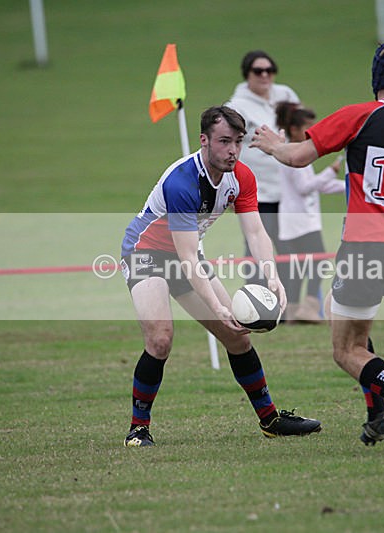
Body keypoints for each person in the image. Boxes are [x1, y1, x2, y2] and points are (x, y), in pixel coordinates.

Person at [251, 41, 384, 454]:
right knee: (350, 325)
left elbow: (298, 157)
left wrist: (271, 144)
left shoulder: (361, 114)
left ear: (377, 77)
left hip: (368, 241)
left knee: (344, 350)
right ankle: (378, 417)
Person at [120, 105, 322, 447]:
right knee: (160, 339)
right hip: (146, 253)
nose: (232, 150)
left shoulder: (241, 177)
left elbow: (256, 233)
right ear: (204, 140)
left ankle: (270, 420)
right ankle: (138, 429)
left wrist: (272, 277)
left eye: (238, 142)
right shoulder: (182, 182)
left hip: (186, 254)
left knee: (238, 337)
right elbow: (185, 257)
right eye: (224, 141)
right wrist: (217, 304)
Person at [226, 50, 300, 285]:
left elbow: (300, 127)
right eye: (258, 71)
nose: (265, 75)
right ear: (247, 74)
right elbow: (226, 144)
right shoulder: (237, 106)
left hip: (289, 190)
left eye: (270, 70)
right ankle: (256, 304)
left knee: (293, 248)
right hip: (259, 192)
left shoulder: (285, 94)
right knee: (258, 247)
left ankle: (292, 305)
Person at [275, 101, 345, 323]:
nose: (311, 132)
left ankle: (292, 311)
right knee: (318, 262)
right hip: (301, 222)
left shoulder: (297, 151)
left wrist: (351, 187)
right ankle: (308, 308)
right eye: (308, 127)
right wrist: (331, 171)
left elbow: (316, 185)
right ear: (295, 129)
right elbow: (305, 188)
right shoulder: (293, 154)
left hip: (296, 221)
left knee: (301, 268)